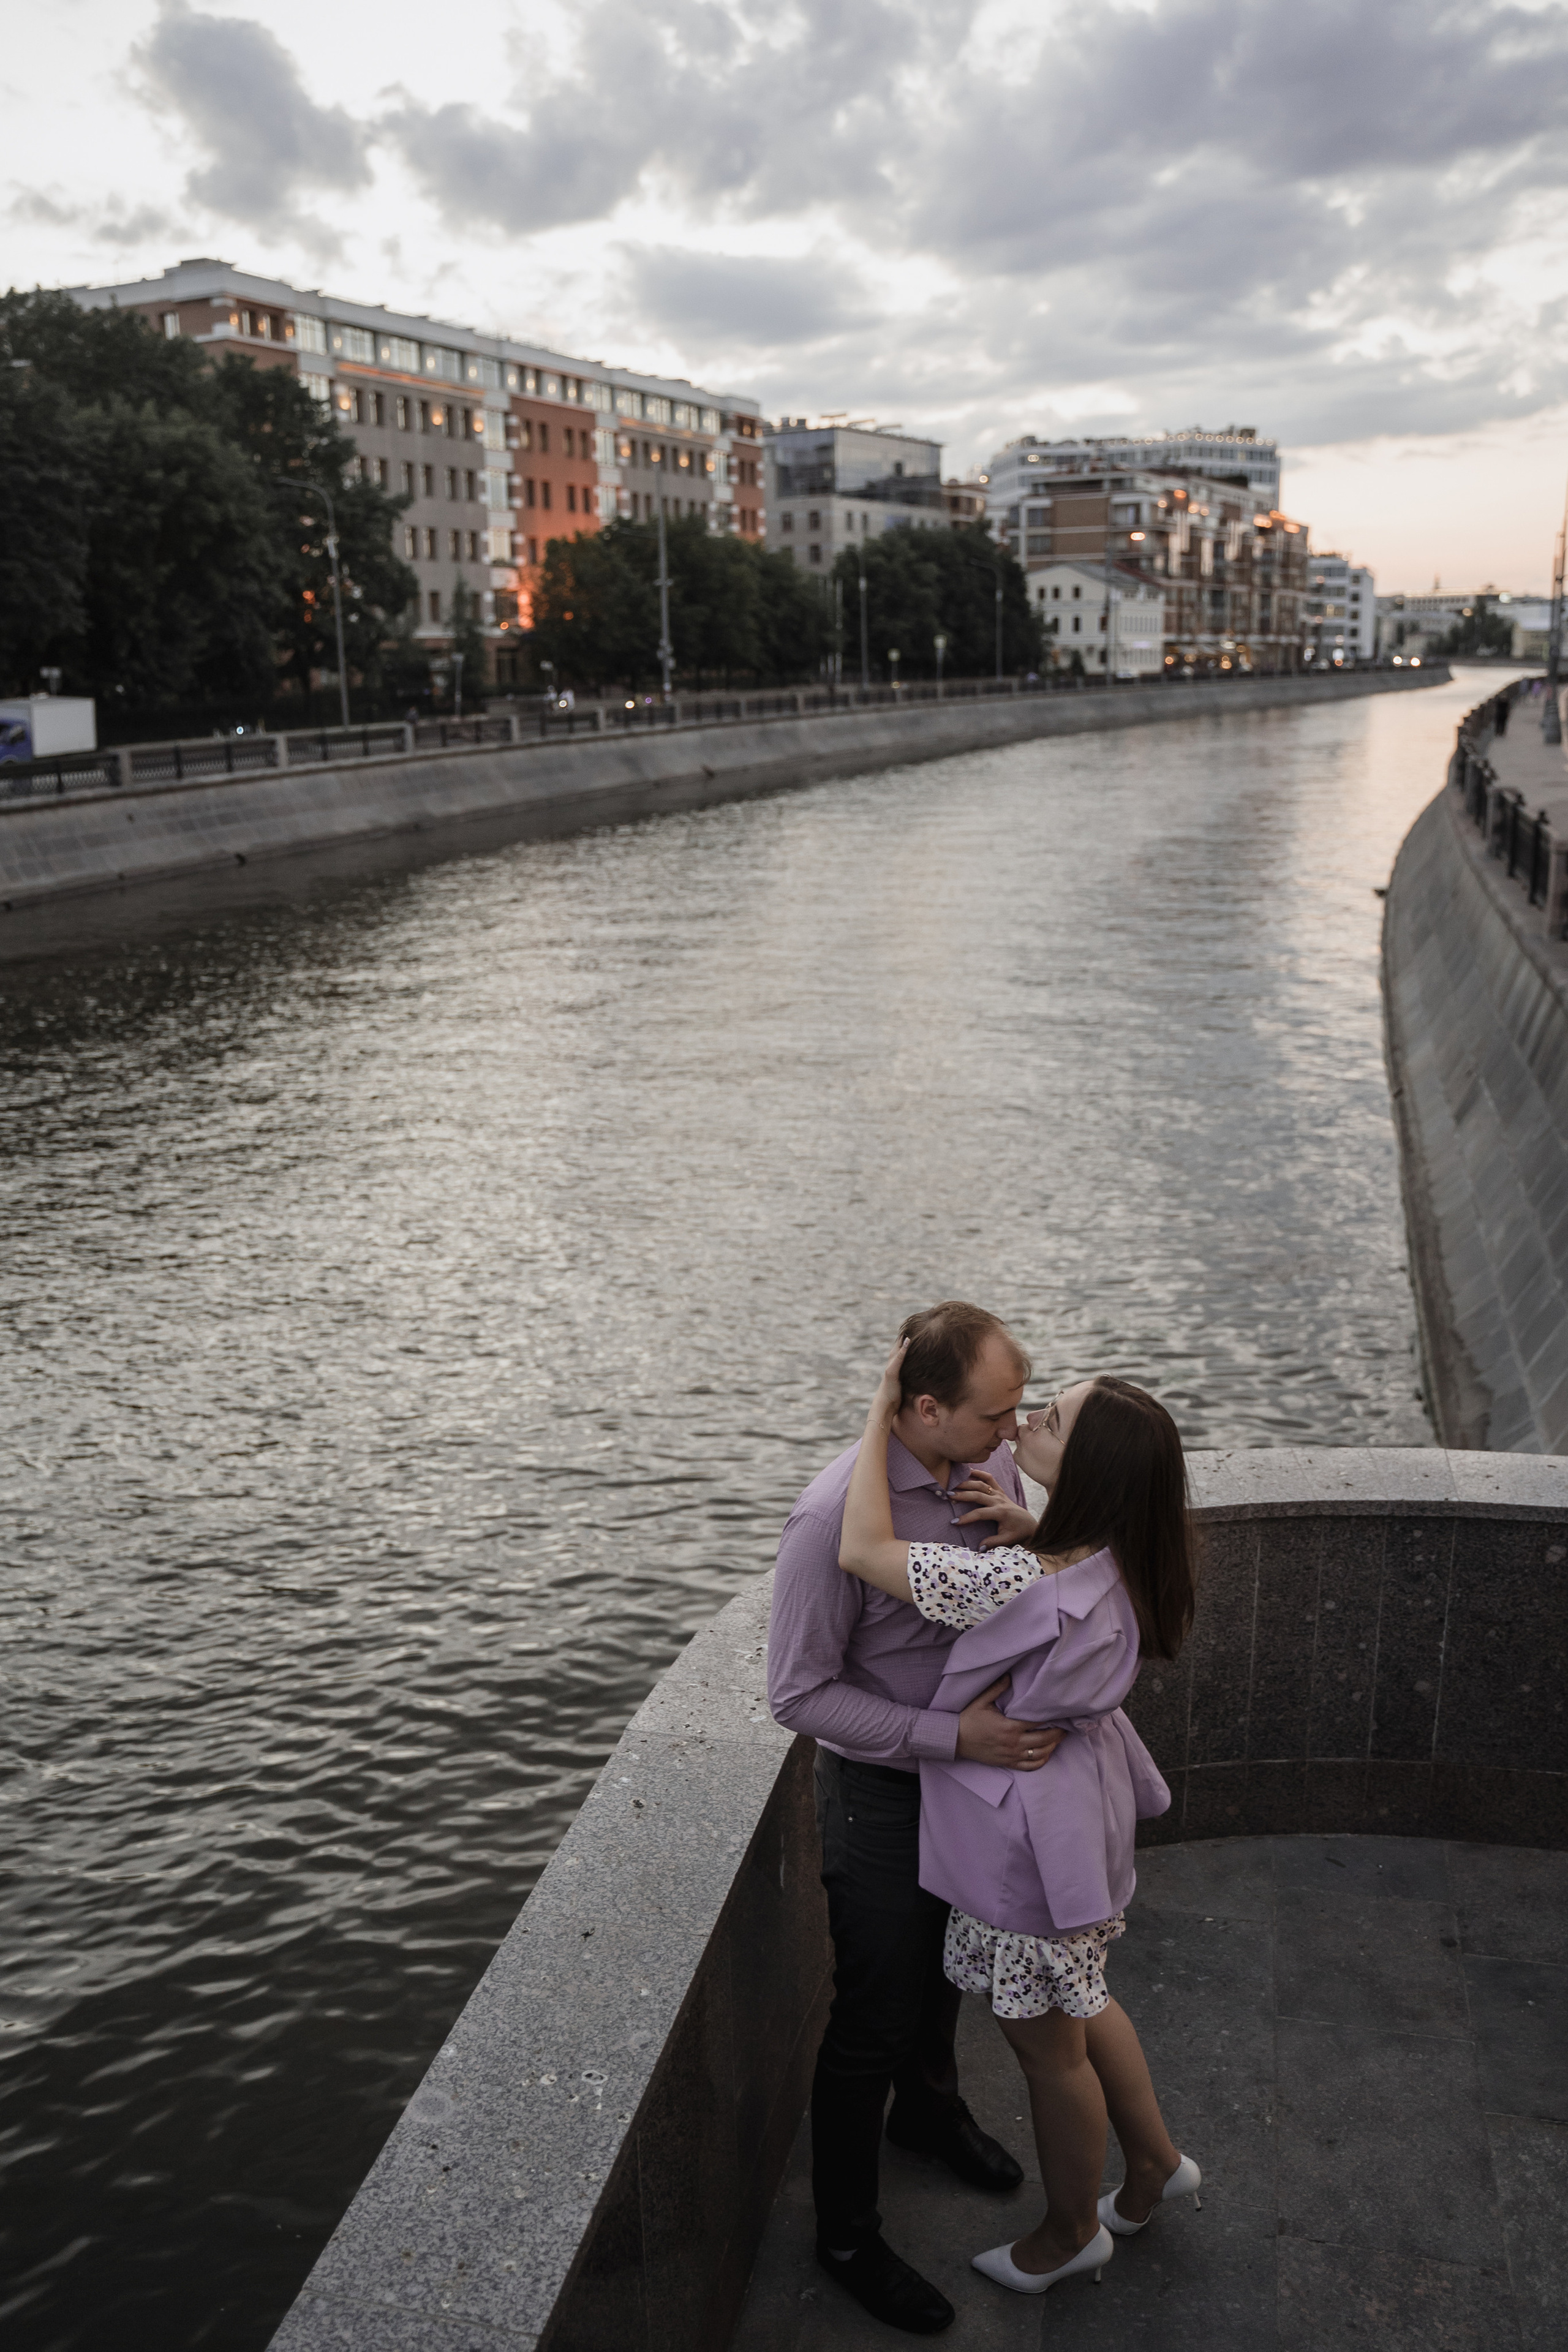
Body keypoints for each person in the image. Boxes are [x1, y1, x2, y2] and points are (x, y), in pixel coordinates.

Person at [839, 1343, 1200, 2301]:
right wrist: (1039, 1528)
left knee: (1047, 2048)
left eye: (1051, 1421)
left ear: (1092, 1473)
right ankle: (1155, 2161)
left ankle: (1070, 2229)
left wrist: (880, 1412)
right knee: (1082, 1994)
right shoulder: (1112, 1555)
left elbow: (863, 1551)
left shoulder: (1015, 1583)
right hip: (1084, 1806)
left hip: (1023, 1835)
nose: (1025, 1422)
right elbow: (1072, 1576)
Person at [768, 1303, 1067, 2337]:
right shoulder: (827, 1521)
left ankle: (931, 2116)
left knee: (948, 1973)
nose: (1011, 1433)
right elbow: (799, 1697)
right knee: (875, 2014)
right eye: (996, 1415)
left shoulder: (987, 1469)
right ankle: (846, 2236)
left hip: (969, 1787)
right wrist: (956, 1741)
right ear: (925, 1406)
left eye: (1022, 1412)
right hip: (887, 1794)